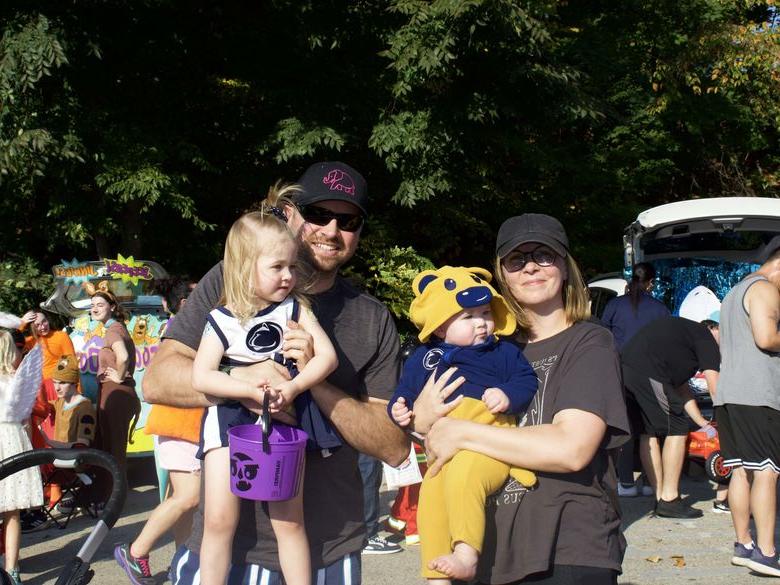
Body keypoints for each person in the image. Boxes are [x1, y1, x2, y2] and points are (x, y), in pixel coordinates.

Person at [142, 161, 409, 585]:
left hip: (326, 548)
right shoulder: (230, 281)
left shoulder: (371, 317)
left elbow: (394, 447)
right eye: (319, 214)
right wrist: (245, 381)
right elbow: (158, 380)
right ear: (290, 215)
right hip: (225, 549)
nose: (331, 230)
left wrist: (311, 383)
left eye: (348, 220)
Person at [419, 214, 630, 584]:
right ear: (502, 276)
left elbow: (572, 448)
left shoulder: (590, 342)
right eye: (517, 260)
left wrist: (462, 433)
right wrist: (422, 416)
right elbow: (432, 429)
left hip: (570, 549)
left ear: (565, 267)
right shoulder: (486, 349)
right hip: (493, 549)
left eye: (544, 255)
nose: (530, 266)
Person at [191, 191, 338, 585]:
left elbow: (326, 358)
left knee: (289, 521)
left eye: (292, 266)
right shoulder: (221, 319)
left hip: (283, 418)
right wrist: (249, 391)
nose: (289, 276)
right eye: (277, 267)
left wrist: (294, 389)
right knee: (219, 520)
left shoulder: (296, 308)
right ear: (243, 268)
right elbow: (201, 377)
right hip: (227, 419)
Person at [389, 265, 538, 583]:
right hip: (442, 454)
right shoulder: (424, 357)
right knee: (430, 499)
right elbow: (405, 392)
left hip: (490, 446)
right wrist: (399, 409)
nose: (482, 323)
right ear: (440, 328)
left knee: (463, 474)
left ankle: (466, 553)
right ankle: (436, 575)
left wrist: (508, 394)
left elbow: (527, 380)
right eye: (468, 317)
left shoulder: (503, 352)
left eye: (485, 313)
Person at [115, 279, 201, 584]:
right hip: (177, 421)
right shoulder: (181, 330)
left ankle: (183, 560)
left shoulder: (187, 328)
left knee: (187, 499)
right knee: (189, 497)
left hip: (187, 423)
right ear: (185, 304)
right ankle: (135, 551)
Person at [714, 236, 780, 576]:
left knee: (741, 470)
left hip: (728, 394)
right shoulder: (766, 290)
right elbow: (766, 338)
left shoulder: (733, 293)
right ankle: (767, 554)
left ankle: (744, 544)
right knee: (767, 471)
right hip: (758, 394)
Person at [620, 315, 720, 519]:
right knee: (678, 426)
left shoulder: (684, 339)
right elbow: (715, 386)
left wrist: (703, 423)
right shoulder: (707, 338)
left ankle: (660, 497)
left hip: (627, 368)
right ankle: (670, 499)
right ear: (716, 328)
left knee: (648, 431)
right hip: (646, 370)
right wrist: (728, 420)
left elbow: (681, 390)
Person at [601, 262, 670, 498]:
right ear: (651, 283)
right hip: (651, 375)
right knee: (649, 430)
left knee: (625, 427)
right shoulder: (660, 309)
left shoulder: (613, 305)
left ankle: (626, 483)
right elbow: (665, 345)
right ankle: (651, 482)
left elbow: (604, 341)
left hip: (620, 374)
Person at [0, 331, 45, 584]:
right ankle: (12, 569)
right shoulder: (16, 380)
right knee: (12, 512)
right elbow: (26, 420)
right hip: (13, 439)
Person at [89, 290, 141, 505]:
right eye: (92, 305)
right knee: (110, 446)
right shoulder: (114, 329)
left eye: (100, 304)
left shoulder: (113, 329)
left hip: (116, 393)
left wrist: (119, 376)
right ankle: (111, 495)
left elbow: (124, 357)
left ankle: (115, 498)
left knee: (113, 448)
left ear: (111, 306)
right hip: (116, 392)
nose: (94, 308)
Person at [46, 355, 96, 449]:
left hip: (76, 461)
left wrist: (49, 442)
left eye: (62, 383)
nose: (57, 388)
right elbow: (46, 405)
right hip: (59, 459)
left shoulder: (85, 408)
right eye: (55, 382)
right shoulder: (60, 402)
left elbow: (82, 445)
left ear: (74, 383)